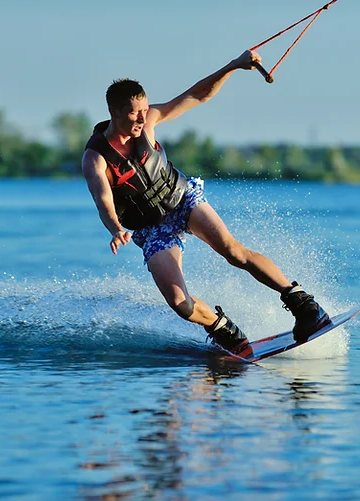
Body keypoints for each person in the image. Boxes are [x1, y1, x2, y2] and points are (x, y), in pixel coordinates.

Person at [81, 49, 330, 353]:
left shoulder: (148, 123)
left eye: (145, 110)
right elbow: (103, 199)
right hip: (149, 227)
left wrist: (235, 66)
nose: (142, 118)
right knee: (179, 303)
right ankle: (223, 329)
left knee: (232, 250)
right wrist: (115, 228)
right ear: (114, 112)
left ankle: (305, 307)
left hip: (180, 197)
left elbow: (197, 95)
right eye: (135, 113)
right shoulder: (96, 158)